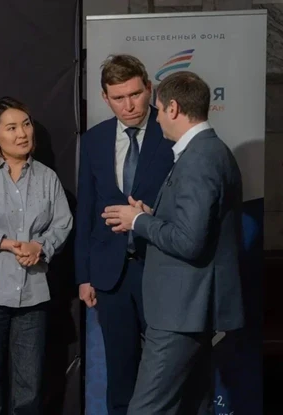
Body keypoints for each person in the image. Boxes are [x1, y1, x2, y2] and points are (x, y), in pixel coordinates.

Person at [102, 71, 244, 414]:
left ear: (174, 108)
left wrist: (138, 221)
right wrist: (151, 215)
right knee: (193, 406)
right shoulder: (207, 151)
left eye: (159, 109)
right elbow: (196, 227)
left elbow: (189, 242)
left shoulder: (200, 158)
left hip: (180, 311)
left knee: (146, 409)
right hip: (190, 308)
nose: (156, 118)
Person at [0, 97, 73, 415]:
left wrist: (40, 246)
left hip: (33, 296)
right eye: (11, 127)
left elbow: (63, 224)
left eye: (26, 124)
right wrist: (5, 243)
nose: (22, 133)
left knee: (29, 392)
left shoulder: (48, 178)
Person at [74, 54, 174, 415]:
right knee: (120, 372)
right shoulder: (94, 140)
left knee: (168, 372)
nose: (129, 105)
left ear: (149, 88)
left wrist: (151, 217)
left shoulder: (171, 133)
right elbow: (86, 210)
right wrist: (84, 276)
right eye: (118, 98)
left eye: (135, 94)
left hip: (160, 269)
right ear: (105, 98)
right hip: (110, 274)